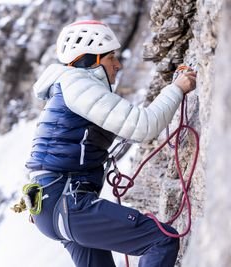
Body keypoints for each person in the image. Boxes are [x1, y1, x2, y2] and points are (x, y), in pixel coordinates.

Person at [25, 20, 196, 267]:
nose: (117, 65)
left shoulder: (62, 90)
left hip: (50, 205)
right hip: (69, 202)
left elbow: (41, 155)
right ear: (91, 60)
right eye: (110, 57)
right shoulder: (77, 84)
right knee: (161, 239)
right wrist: (177, 89)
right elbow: (143, 125)